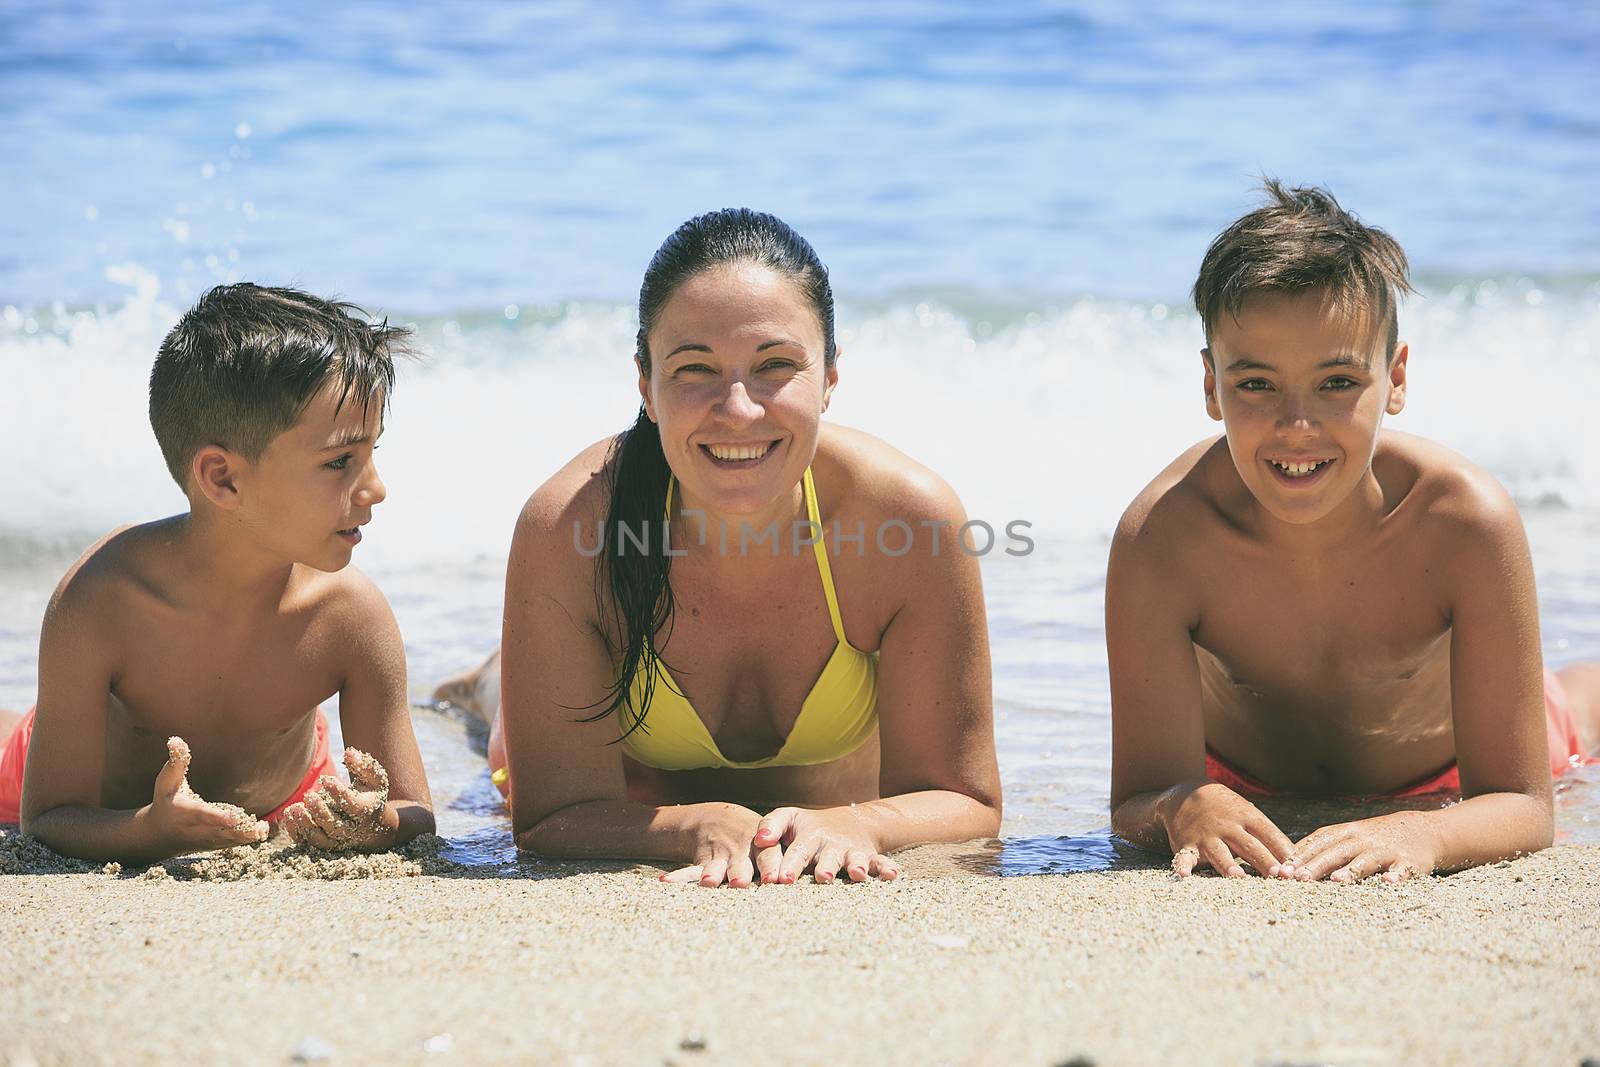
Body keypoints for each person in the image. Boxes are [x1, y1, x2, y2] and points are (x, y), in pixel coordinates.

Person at [437, 208, 1001, 887]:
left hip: (825, 804)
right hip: (632, 786)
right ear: (646, 384)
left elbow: (968, 800)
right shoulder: (571, 529)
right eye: (695, 368)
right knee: (505, 740)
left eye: (775, 366)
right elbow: (547, 816)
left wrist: (863, 822)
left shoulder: (909, 521)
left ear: (829, 378)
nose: (738, 409)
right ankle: (496, 678)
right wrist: (685, 825)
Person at [1106, 181, 1599, 883]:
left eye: (1337, 382)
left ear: (1394, 378)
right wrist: (1182, 804)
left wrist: (1426, 833)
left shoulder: (1463, 523)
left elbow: (1522, 802)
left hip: (1450, 775)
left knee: (1577, 705)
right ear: (1212, 385)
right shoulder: (1164, 537)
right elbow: (1135, 799)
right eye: (1256, 385)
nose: (1296, 425)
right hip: (1247, 785)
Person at [0, 283, 435, 863]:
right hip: (106, 806)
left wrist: (373, 821)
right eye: (340, 461)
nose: (377, 488)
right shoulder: (103, 603)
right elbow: (49, 820)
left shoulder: (349, 617)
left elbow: (415, 811)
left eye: (373, 452)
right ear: (224, 478)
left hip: (289, 795)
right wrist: (147, 832)